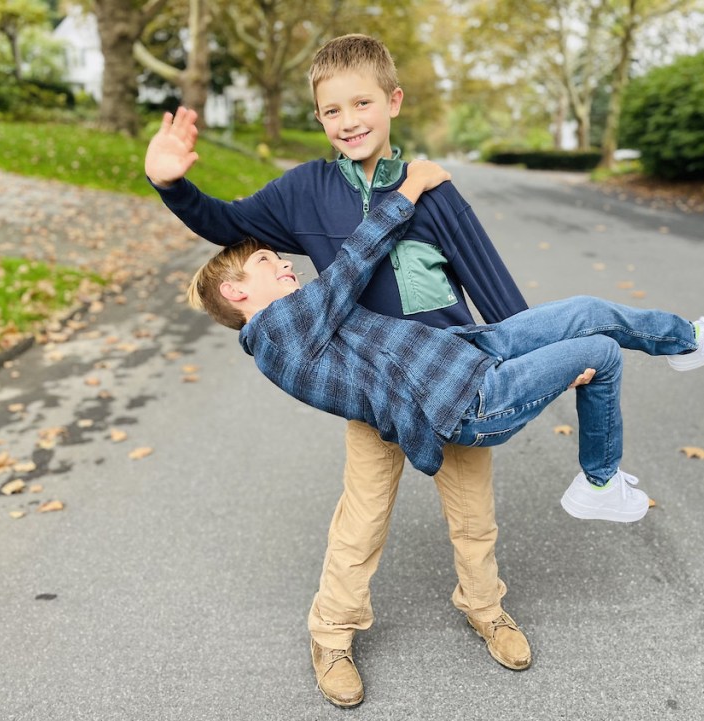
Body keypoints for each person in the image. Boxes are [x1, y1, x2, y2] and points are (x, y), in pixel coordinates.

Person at [145, 35, 533, 708]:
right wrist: (172, 185)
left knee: (475, 518)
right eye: (331, 110)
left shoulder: (433, 191)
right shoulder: (306, 191)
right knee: (359, 522)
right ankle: (331, 633)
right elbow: (227, 224)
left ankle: (485, 607)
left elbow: (491, 282)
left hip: (457, 379)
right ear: (319, 118)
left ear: (393, 102)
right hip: (373, 391)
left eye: (362, 103)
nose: (348, 120)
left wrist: (532, 355)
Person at [186, 161, 704, 533]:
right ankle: (599, 482)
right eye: (269, 260)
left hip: (467, 350)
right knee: (601, 351)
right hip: (468, 399)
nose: (283, 260)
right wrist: (411, 188)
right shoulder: (277, 336)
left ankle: (691, 340)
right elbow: (352, 261)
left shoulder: (296, 320)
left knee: (588, 311)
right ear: (239, 291)